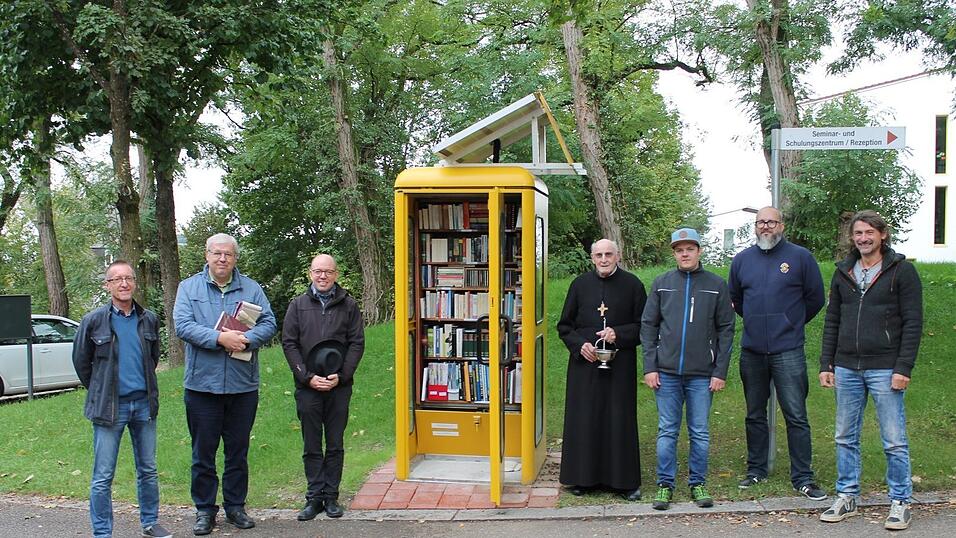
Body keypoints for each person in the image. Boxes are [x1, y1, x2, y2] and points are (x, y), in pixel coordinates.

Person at [818, 210, 922, 530]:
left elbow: (913, 323)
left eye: (869, 233)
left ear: (882, 235)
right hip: (847, 366)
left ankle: (900, 500)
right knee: (845, 436)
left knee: (893, 439)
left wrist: (903, 367)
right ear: (853, 238)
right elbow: (832, 320)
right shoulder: (843, 272)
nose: (863, 238)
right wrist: (827, 363)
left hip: (885, 367)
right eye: (858, 233)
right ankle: (847, 496)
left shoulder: (901, 272)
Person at [173, 233, 276, 535]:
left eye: (228, 254)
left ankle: (235, 507)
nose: (222, 259)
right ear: (206, 255)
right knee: (203, 452)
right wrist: (220, 338)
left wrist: (246, 339)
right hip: (201, 387)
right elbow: (183, 326)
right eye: (217, 253)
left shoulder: (252, 289)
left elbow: (269, 323)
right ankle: (205, 510)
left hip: (242, 387)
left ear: (235, 258)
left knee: (237, 451)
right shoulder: (188, 288)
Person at [728, 206, 827, 500]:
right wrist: (758, 323)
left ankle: (803, 477)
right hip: (753, 351)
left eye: (771, 221)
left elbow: (815, 298)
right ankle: (756, 469)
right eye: (760, 222)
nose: (765, 227)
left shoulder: (800, 258)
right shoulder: (742, 260)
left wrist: (789, 321)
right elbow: (736, 299)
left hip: (788, 350)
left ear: (782, 225)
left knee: (796, 414)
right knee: (754, 414)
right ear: (755, 227)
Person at [72, 260, 171, 538]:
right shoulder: (93, 321)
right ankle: (102, 532)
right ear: (108, 285)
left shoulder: (148, 318)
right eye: (117, 279)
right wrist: (101, 390)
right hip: (109, 408)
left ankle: (150, 523)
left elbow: (152, 359)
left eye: (128, 278)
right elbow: (82, 363)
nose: (124, 283)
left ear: (134, 283)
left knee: (148, 470)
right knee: (103, 476)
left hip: (143, 406)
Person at [641, 229, 736, 510]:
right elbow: (648, 326)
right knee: (667, 430)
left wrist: (719, 371)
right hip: (666, 373)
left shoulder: (716, 285)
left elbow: (726, 330)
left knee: (700, 431)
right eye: (679, 249)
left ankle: (698, 483)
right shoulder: (661, 283)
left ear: (699, 251)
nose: (684, 254)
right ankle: (665, 486)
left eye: (689, 248)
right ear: (674, 254)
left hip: (702, 375)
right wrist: (650, 366)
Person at [557, 238, 647, 500]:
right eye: (599, 255)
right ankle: (583, 479)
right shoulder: (579, 285)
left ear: (617, 256)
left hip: (620, 364)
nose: (604, 259)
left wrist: (617, 333)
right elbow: (564, 326)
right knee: (585, 419)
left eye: (609, 254)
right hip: (584, 364)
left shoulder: (633, 285)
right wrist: (580, 345)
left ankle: (623, 482)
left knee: (619, 419)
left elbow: (645, 326)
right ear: (592, 258)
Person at [282, 254, 365, 521]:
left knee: (335, 443)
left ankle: (331, 497)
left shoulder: (349, 305)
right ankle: (314, 497)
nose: (323, 276)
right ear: (310, 273)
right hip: (308, 386)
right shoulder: (298, 305)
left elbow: (356, 343)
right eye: (318, 271)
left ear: (336, 274)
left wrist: (342, 375)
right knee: (311, 443)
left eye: (328, 272)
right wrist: (306, 377)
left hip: (339, 386)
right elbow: (289, 343)